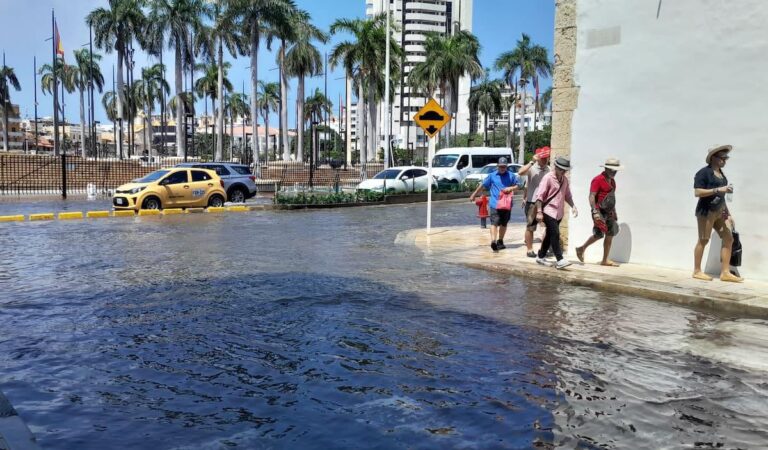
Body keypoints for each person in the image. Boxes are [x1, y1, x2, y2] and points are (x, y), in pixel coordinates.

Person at [693, 145, 742, 282]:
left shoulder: (722, 175)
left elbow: (722, 198)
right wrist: (717, 189)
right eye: (722, 158)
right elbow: (697, 192)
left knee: (729, 238)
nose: (725, 161)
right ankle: (697, 271)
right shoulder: (703, 173)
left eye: (726, 158)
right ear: (714, 158)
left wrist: (728, 215)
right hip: (706, 211)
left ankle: (725, 272)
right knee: (703, 239)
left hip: (720, 211)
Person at [575, 158, 623, 266]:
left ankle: (604, 260)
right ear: (606, 168)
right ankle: (581, 249)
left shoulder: (613, 181)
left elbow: (611, 197)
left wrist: (614, 211)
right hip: (599, 211)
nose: (614, 172)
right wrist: (594, 211)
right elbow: (592, 195)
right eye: (612, 170)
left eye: (616, 170)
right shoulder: (598, 179)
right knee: (599, 234)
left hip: (609, 211)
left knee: (610, 233)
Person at [470, 157, 521, 252]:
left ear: (507, 167)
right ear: (497, 166)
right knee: (494, 223)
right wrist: (474, 194)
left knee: (504, 223)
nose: (502, 168)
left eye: (504, 167)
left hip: (506, 204)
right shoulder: (492, 176)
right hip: (495, 204)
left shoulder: (511, 176)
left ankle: (500, 241)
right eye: (501, 167)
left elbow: (518, 185)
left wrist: (511, 188)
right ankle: (493, 241)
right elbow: (482, 185)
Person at [535, 157, 578, 269]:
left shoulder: (564, 180)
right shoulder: (548, 178)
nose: (564, 172)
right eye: (562, 170)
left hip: (558, 212)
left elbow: (567, 195)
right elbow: (539, 196)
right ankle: (560, 259)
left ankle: (540, 256)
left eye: (565, 170)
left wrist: (573, 206)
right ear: (556, 167)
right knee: (555, 233)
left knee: (549, 235)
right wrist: (539, 212)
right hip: (548, 210)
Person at [518, 146, 551, 257]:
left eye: (547, 158)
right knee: (530, 226)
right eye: (543, 158)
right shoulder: (532, 168)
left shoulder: (549, 169)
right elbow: (520, 172)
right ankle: (529, 249)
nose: (545, 160)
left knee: (549, 226)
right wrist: (532, 161)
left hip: (545, 202)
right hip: (532, 202)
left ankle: (544, 248)